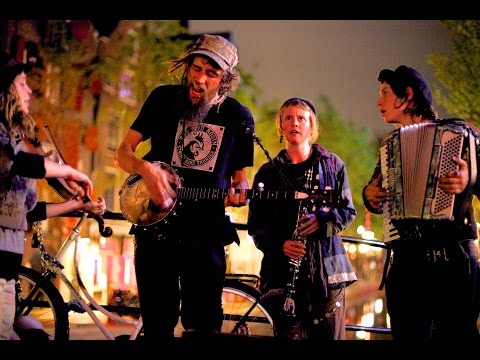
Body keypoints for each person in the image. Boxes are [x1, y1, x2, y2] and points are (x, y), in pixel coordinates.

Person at [114, 34, 254, 341]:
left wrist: (240, 191)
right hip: (156, 232)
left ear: (225, 80)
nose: (200, 79)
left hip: (205, 236)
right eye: (196, 68)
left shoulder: (238, 116)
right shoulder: (162, 98)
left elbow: (239, 177)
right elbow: (123, 153)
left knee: (203, 328)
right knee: (156, 328)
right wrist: (145, 169)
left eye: (211, 73)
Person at [363, 65, 480, 341]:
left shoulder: (460, 132)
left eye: (385, 93)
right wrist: (369, 194)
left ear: (407, 96)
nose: (378, 102)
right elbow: (374, 191)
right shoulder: (390, 145)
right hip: (406, 267)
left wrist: (469, 180)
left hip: (452, 264)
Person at [0, 51, 106, 340]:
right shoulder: (5, 142)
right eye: (22, 83)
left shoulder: (15, 142)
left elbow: (29, 211)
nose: (29, 90)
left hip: (7, 263)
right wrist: (69, 172)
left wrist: (76, 203)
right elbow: (18, 163)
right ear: (5, 89)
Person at [247, 97, 357, 340]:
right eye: (288, 118)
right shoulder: (267, 172)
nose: (294, 123)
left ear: (312, 126)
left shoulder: (334, 165)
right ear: (281, 126)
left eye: (301, 118)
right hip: (281, 277)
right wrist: (280, 245)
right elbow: (255, 226)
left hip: (327, 278)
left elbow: (348, 210)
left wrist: (322, 222)